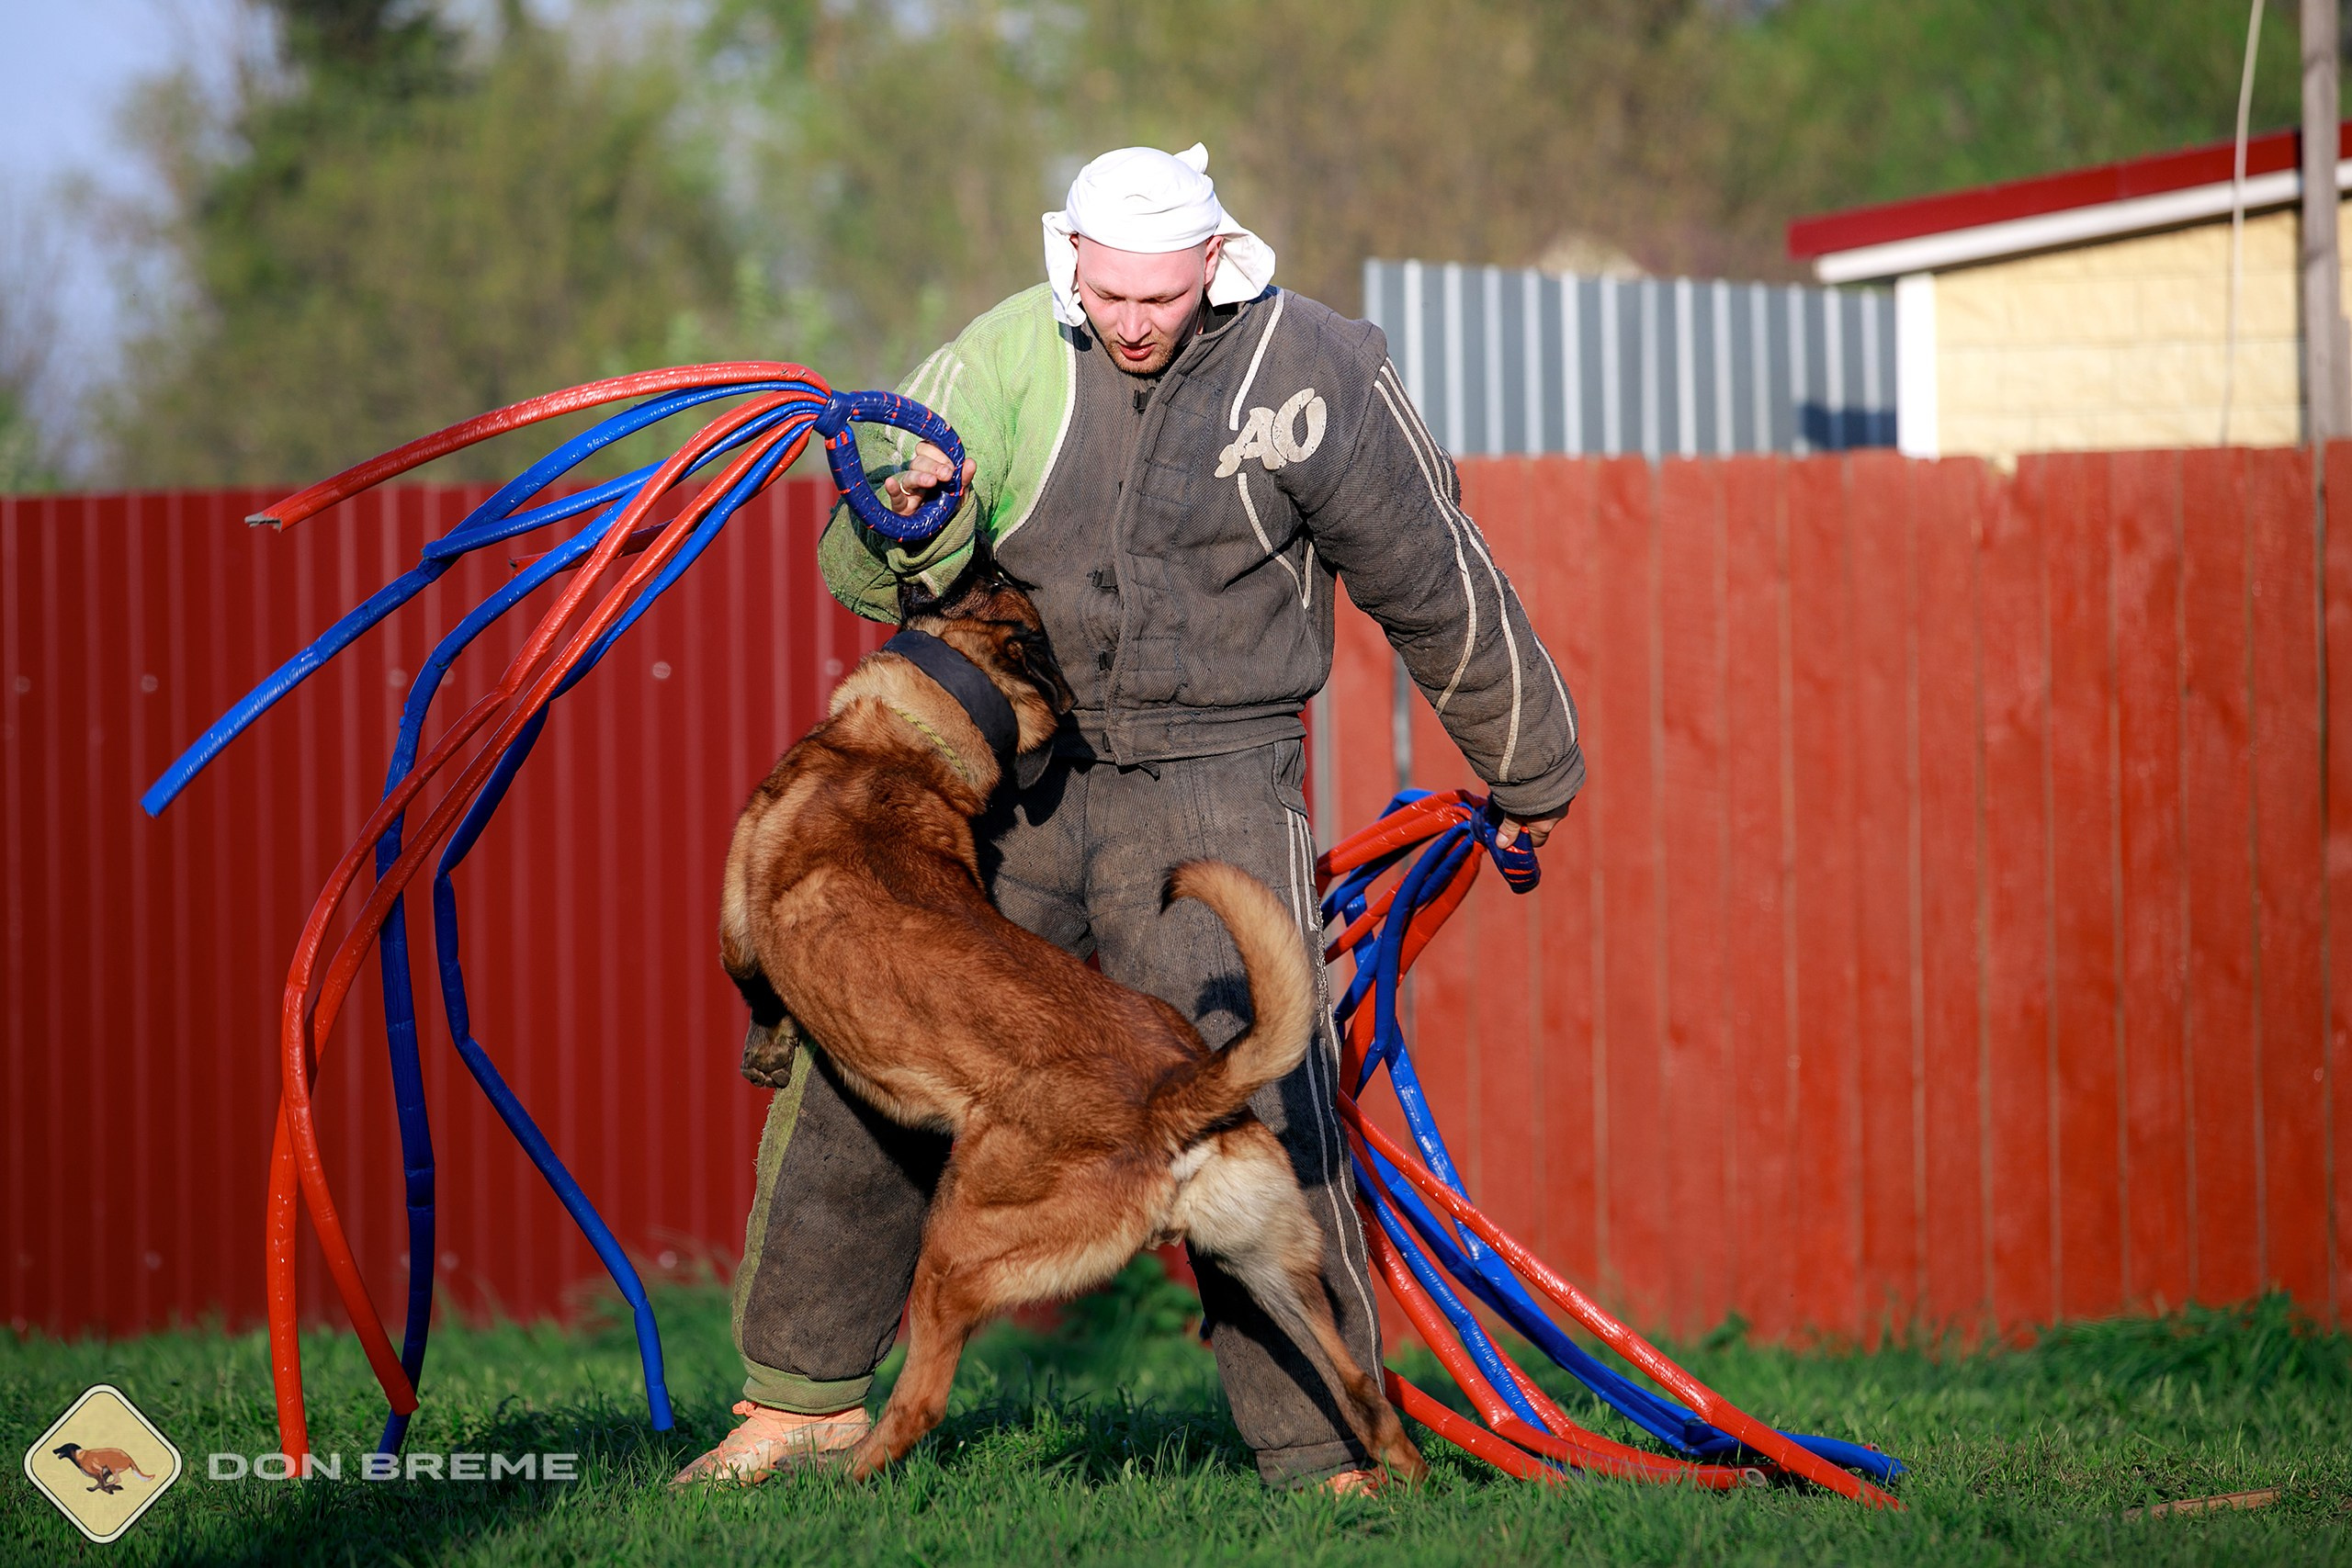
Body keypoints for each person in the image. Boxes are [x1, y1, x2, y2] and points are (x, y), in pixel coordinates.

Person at [679, 143, 1584, 1494]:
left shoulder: (1316, 371)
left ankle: (1327, 1453)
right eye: (1108, 296)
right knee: (858, 1048)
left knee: (1239, 1095)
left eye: (1160, 297)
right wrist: (907, 523)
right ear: (1071, 261)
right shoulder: (998, 361)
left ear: (1216, 260)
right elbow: (864, 558)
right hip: (1019, 779)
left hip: (1218, 773)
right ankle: (799, 1403)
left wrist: (1533, 776)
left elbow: (1435, 575)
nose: (1133, 323)